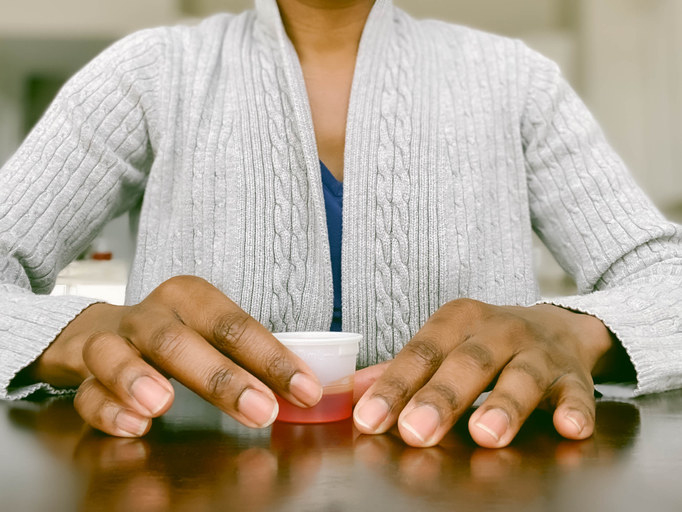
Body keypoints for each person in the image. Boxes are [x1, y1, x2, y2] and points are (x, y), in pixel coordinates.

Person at [0, 0, 680, 449]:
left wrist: (580, 330)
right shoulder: (148, 76)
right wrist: (67, 332)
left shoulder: (517, 84)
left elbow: (666, 280)